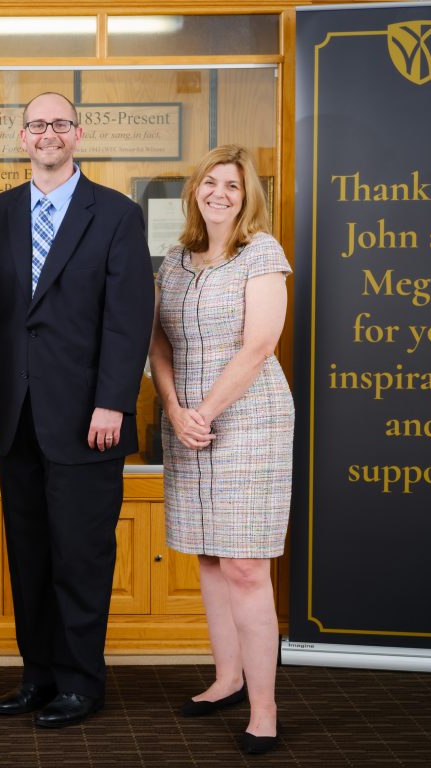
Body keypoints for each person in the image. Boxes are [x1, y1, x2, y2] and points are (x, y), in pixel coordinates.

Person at [0, 92, 154, 729]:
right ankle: (38, 676)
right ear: (23, 137)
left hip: (87, 421)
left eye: (59, 124)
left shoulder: (118, 214)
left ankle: (81, 681)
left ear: (79, 133)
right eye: (37, 124)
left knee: (80, 555)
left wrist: (113, 403)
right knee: (30, 555)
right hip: (16, 414)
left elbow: (129, 323)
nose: (48, 133)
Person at [148, 144, 293, 756]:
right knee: (207, 555)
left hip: (248, 421)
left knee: (244, 565)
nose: (219, 194)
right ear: (195, 192)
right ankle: (227, 679)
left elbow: (260, 344)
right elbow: (154, 339)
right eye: (210, 183)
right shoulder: (176, 260)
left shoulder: (262, 252)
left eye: (232, 186)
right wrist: (175, 409)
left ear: (246, 196)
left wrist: (203, 412)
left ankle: (265, 709)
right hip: (187, 422)